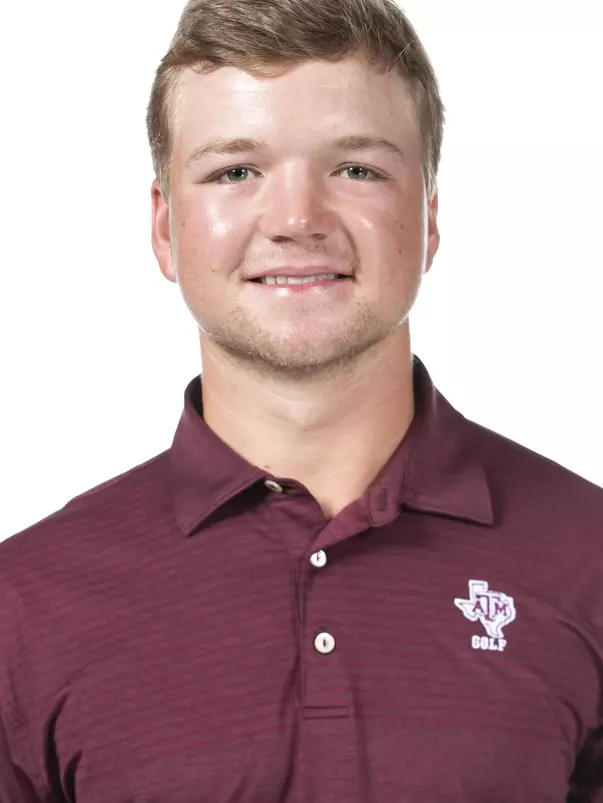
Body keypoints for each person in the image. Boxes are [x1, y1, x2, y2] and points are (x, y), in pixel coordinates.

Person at [2, 0, 603, 799]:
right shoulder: (24, 602)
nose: (295, 220)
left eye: (356, 169)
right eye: (234, 171)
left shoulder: (590, 558)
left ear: (427, 218)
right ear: (165, 228)